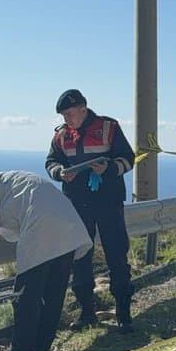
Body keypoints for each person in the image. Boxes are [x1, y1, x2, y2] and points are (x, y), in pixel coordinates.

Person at [0, 170, 92, 351]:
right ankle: (41, 350)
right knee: (53, 294)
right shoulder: (10, 179)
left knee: (26, 297)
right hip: (68, 227)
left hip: (40, 229)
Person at [45, 89, 136, 333]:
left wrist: (107, 169)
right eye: (63, 115)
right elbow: (51, 162)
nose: (67, 119)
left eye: (70, 114)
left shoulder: (108, 127)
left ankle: (124, 313)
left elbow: (128, 158)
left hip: (108, 202)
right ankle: (87, 312)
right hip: (77, 204)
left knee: (116, 255)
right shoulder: (61, 135)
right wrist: (60, 172)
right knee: (80, 258)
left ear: (83, 109)